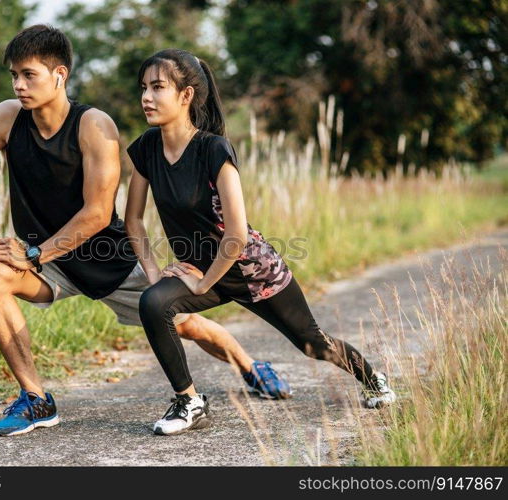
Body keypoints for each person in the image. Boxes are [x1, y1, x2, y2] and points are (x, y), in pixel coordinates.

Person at [0, 26, 290, 437]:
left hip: (104, 256)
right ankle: (36, 399)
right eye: (13, 76)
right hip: (44, 260)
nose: (18, 85)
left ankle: (250, 366)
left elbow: (96, 213)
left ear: (59, 74)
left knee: (183, 324)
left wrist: (34, 255)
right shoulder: (5, 118)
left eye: (28, 74)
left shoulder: (94, 126)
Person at [125, 49, 397, 436]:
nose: (146, 98)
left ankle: (373, 379)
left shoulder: (213, 149)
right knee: (153, 303)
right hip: (199, 269)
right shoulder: (147, 148)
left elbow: (235, 234)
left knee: (311, 343)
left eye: (157, 87)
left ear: (186, 96)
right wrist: (154, 274)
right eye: (143, 88)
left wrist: (203, 284)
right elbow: (133, 219)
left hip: (251, 268)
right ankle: (189, 401)